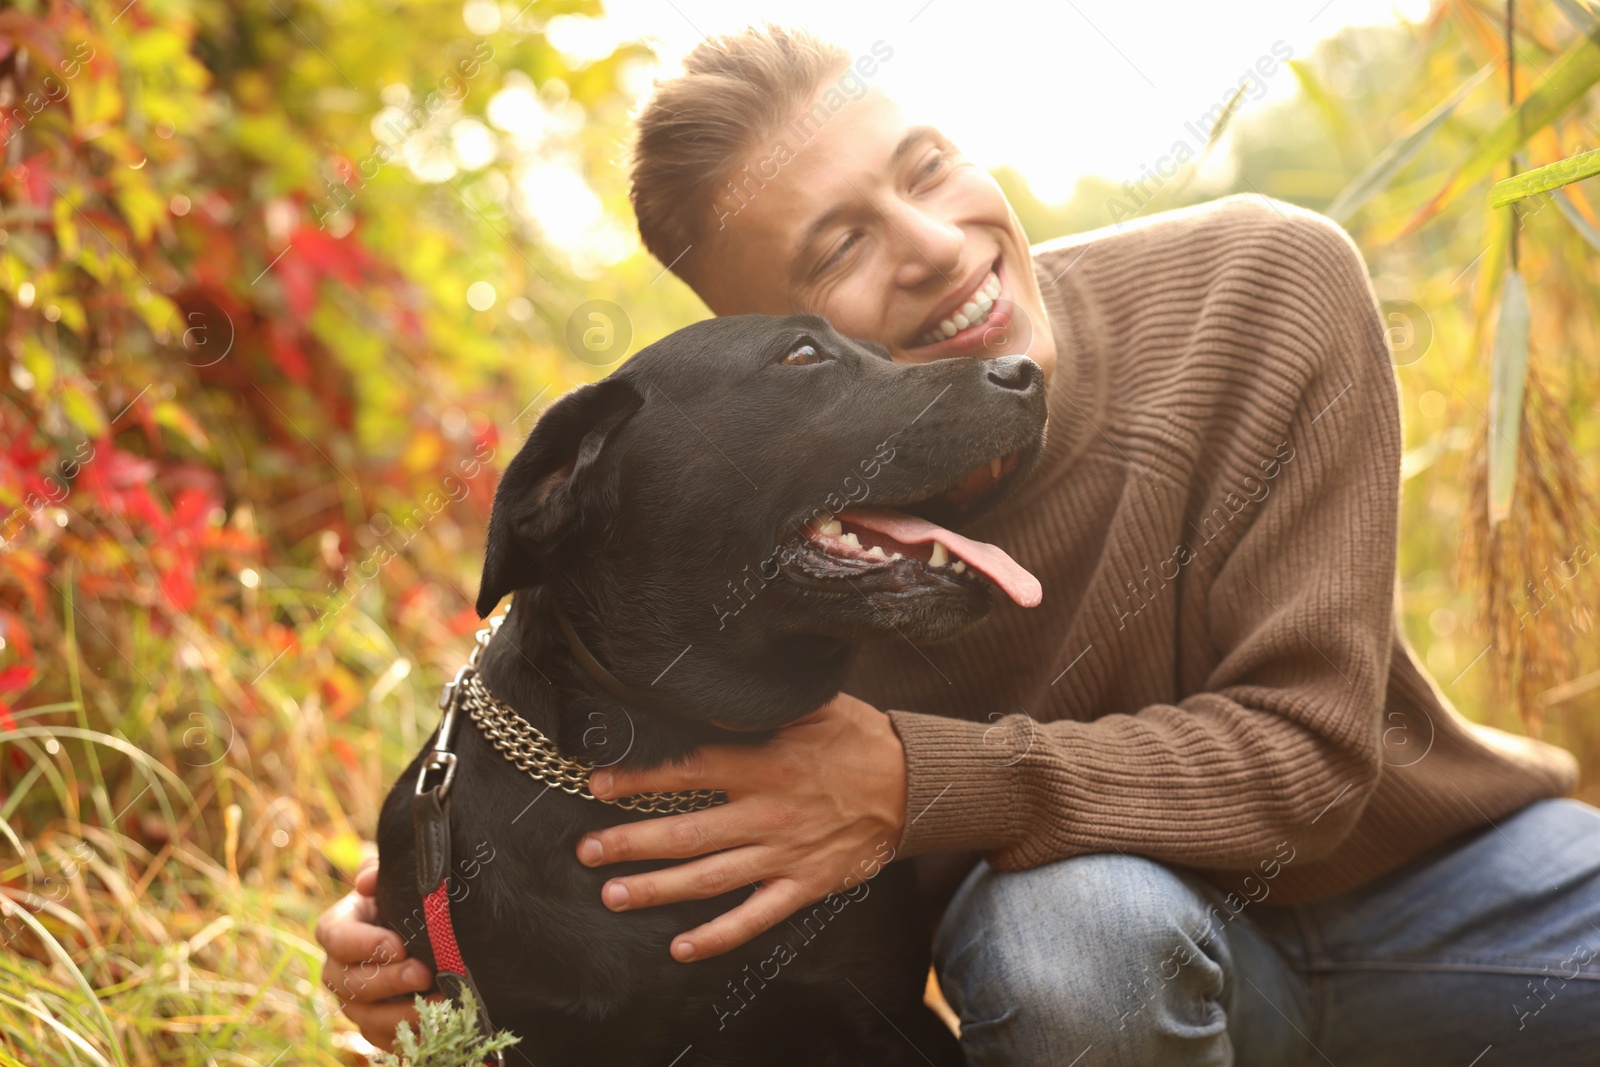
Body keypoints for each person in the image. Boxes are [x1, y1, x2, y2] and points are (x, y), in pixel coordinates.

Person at [318, 25, 1600, 1065]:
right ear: (766, 351)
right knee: (1074, 937)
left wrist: (911, 779)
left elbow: (1315, 757)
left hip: (1447, 888)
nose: (935, 247)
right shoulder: (743, 580)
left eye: (924, 169)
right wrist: (425, 939)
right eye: (841, 247)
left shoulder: (1259, 287)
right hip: (1101, 964)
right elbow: (578, 796)